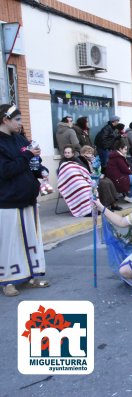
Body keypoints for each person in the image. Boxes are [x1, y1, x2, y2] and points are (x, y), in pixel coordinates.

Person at [0, 104, 49, 296]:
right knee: (10, 243)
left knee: (30, 241)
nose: (20, 124)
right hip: (8, 201)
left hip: (27, 199)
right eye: (17, 120)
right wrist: (28, 155)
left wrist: (39, 169)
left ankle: (30, 276)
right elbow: (6, 171)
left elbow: (27, 162)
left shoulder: (19, 138)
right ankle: (7, 281)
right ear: (5, 120)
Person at [78, 145, 122, 211]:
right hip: (89, 179)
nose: (89, 154)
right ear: (82, 153)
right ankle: (105, 205)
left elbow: (97, 170)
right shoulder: (81, 160)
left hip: (96, 177)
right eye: (87, 153)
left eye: (90, 153)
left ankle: (113, 203)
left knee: (109, 181)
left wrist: (101, 174)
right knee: (103, 184)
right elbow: (86, 172)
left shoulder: (93, 160)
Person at [57, 144, 93, 217]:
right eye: (65, 153)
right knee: (82, 189)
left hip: (80, 180)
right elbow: (62, 173)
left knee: (89, 188)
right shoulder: (62, 162)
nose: (66, 154)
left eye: (68, 152)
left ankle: (91, 209)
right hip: (69, 184)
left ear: (73, 153)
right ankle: (84, 212)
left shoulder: (77, 160)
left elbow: (83, 169)